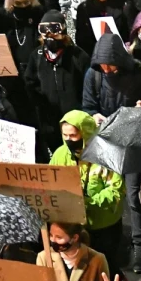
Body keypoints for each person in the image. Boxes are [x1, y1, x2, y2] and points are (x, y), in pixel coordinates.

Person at [50, 110, 125, 262]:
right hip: (74, 226)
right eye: (65, 135)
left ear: (86, 133)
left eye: (73, 135)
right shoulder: (60, 154)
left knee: (106, 266)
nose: (68, 140)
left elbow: (116, 191)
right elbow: (51, 181)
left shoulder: (106, 155)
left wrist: (87, 202)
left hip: (103, 225)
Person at [28, 10, 90, 145]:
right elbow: (30, 83)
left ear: (63, 31)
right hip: (50, 121)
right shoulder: (36, 56)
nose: (49, 35)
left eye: (54, 29)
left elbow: (89, 87)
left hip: (75, 120)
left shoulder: (78, 56)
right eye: (44, 29)